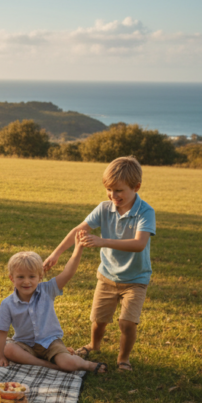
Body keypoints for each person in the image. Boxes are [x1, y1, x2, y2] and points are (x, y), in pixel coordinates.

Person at [42, 156, 156, 371]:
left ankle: (123, 359)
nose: (113, 195)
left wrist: (103, 241)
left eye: (119, 190)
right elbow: (78, 230)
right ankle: (94, 346)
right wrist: (56, 254)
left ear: (136, 187)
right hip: (107, 276)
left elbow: (139, 244)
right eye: (109, 189)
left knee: (127, 322)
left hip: (136, 279)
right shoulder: (104, 208)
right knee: (99, 319)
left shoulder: (145, 212)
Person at [0, 245, 107, 373]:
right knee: (9, 349)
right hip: (25, 344)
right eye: (20, 277)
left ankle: (87, 365)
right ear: (12, 278)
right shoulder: (7, 303)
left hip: (50, 343)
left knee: (68, 364)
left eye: (32, 277)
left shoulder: (47, 290)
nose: (26, 282)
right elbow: (1, 332)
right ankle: (49, 365)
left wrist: (79, 248)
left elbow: (68, 272)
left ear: (40, 276)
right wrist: (2, 356)